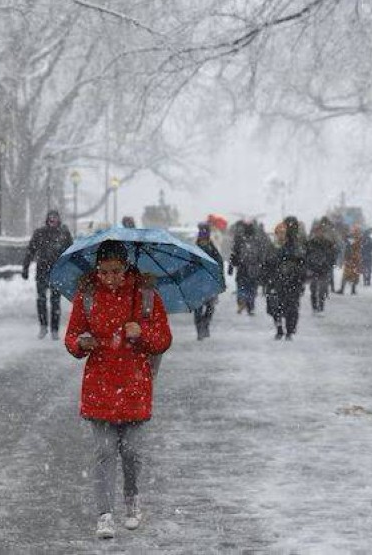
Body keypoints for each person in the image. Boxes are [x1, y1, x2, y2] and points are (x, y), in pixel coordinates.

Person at [65, 240, 172, 539]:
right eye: (104, 272)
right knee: (103, 450)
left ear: (127, 269)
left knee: (132, 451)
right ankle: (104, 514)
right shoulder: (86, 295)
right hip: (99, 384)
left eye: (116, 271)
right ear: (97, 270)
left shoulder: (147, 296)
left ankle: (132, 499)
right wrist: (79, 344)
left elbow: (163, 339)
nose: (110, 278)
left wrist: (142, 333)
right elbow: (72, 335)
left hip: (135, 383)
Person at [23, 210, 74, 339]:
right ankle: (43, 326)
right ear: (47, 219)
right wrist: (25, 268)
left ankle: (54, 329)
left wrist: (73, 271)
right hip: (42, 271)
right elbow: (30, 251)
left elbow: (72, 253)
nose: (53, 220)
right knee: (41, 300)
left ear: (58, 219)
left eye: (55, 217)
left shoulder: (64, 234)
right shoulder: (40, 233)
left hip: (57, 272)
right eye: (51, 217)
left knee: (55, 301)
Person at [270, 216, 308, 339]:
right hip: (284, 279)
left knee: (286, 306)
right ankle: (284, 329)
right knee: (280, 306)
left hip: (289, 279)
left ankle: (286, 329)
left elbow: (302, 261)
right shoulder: (279, 241)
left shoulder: (297, 243)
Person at [193, 222, 222, 339]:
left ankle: (205, 325)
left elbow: (219, 265)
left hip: (209, 284)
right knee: (199, 308)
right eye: (202, 232)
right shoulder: (195, 248)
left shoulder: (212, 249)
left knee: (209, 308)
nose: (204, 235)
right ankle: (200, 328)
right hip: (197, 284)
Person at [228, 222, 263, 315]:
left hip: (242, 268)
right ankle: (250, 307)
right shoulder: (257, 241)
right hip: (254, 269)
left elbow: (234, 254)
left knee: (241, 287)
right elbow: (261, 256)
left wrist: (231, 267)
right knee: (252, 288)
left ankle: (241, 301)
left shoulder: (239, 240)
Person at [305, 220, 337, 314]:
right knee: (313, 289)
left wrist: (329, 264)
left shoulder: (328, 243)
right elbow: (305, 256)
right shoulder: (310, 243)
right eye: (317, 231)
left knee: (322, 290)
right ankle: (314, 307)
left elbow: (332, 255)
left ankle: (321, 308)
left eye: (321, 231)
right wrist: (307, 267)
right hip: (313, 269)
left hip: (324, 269)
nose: (319, 233)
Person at [341, 226, 363, 295]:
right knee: (353, 274)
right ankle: (351, 289)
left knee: (348, 274)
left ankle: (343, 289)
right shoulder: (357, 238)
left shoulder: (353, 238)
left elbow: (348, 245)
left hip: (352, 259)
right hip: (353, 259)